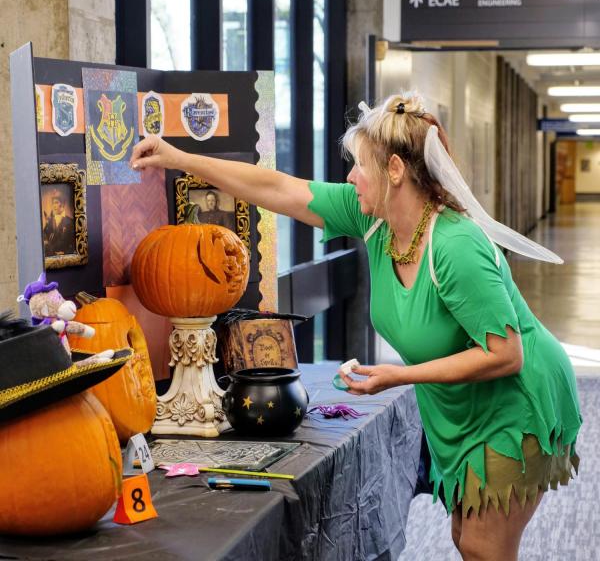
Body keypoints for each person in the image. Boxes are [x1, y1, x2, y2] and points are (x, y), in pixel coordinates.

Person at [130, 93, 582, 561]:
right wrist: (178, 158)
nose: (349, 177)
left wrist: (396, 376)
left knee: (483, 545)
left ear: (394, 171)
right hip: (464, 404)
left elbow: (506, 354)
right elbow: (278, 188)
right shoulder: (374, 219)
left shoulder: (456, 247)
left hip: (518, 398)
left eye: (359, 164)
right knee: (465, 537)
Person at [42, 189, 75, 256]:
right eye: (53, 203)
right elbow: (44, 234)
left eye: (56, 202)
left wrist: (66, 253)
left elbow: (70, 244)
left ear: (62, 204)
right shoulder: (51, 220)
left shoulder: (70, 222)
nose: (54, 206)